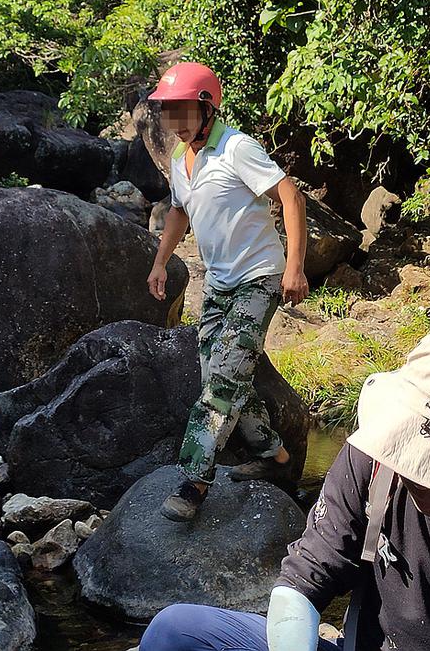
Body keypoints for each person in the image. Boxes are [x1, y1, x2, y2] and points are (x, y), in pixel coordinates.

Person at [138, 323, 430, 649]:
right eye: (417, 452)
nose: (418, 473)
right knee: (176, 632)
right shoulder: (376, 457)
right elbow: (305, 579)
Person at [146, 62, 309, 522]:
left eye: (179, 109)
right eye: (166, 111)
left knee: (221, 384)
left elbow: (290, 196)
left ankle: (194, 480)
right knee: (219, 373)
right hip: (217, 284)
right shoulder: (181, 161)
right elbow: (178, 212)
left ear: (205, 107)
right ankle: (276, 457)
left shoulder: (236, 147)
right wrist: (160, 262)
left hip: (258, 278)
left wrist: (294, 267)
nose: (172, 120)